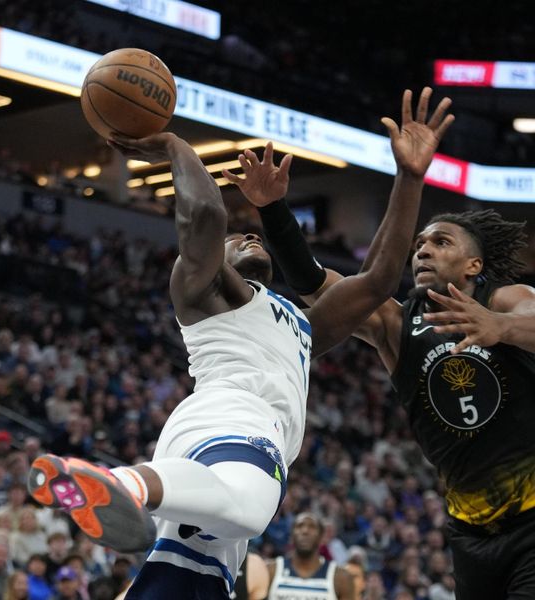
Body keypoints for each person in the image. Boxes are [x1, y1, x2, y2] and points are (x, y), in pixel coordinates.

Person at [27, 88, 453, 599]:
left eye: (255, 237)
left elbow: (380, 279)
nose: (251, 239)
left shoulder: (299, 324)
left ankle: (127, 491)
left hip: (207, 445)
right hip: (233, 419)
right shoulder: (206, 292)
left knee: (195, 581)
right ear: (216, 261)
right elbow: (206, 217)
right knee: (250, 508)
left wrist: (409, 176)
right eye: (238, 241)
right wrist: (173, 146)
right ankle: (125, 485)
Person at [260, 92, 535, 600]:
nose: (424, 249)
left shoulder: (506, 297)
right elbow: (316, 284)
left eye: (442, 242)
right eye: (420, 245)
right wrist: (273, 211)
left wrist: (498, 326)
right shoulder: (396, 322)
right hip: (470, 529)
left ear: (474, 266)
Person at [266, 513, 354, 599]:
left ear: (321, 537)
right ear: (292, 536)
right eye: (299, 526)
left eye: (312, 527)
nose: (305, 531)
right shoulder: (271, 571)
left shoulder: (341, 577)